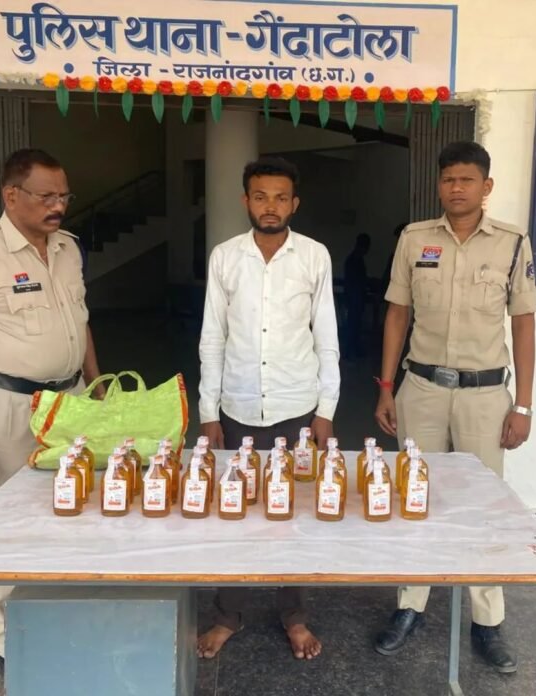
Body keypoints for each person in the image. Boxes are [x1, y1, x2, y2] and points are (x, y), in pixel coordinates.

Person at [373, 141, 536, 673]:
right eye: (448, 180)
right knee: (413, 498)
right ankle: (410, 606)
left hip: (484, 397)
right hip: (421, 389)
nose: (457, 188)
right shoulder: (414, 239)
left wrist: (524, 407)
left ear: (486, 187)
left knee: (483, 509)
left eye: (467, 180)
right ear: (439, 185)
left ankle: (487, 622)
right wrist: (386, 386)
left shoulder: (512, 243)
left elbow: (524, 324)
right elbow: (397, 314)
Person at [0, 148, 104, 667]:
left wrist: (97, 385)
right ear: (11, 195)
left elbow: (80, 322)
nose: (58, 205)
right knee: (6, 524)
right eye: (46, 196)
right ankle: (10, 643)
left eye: (64, 196)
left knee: (72, 511)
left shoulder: (68, 248)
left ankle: (61, 618)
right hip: (10, 409)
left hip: (71, 404)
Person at [197, 156, 340, 661]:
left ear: (294, 203)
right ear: (246, 201)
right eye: (261, 197)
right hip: (237, 407)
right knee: (233, 512)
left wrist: (326, 409)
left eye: (281, 197)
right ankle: (228, 615)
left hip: (298, 408)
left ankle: (294, 615)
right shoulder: (225, 257)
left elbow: (327, 337)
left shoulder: (314, 256)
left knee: (292, 515)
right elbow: (212, 337)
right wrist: (208, 412)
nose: (270, 206)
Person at [342, 232, 371, 359]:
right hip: (354, 299)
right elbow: (354, 281)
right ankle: (350, 352)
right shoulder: (354, 260)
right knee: (353, 326)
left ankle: (353, 350)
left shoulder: (355, 259)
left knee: (355, 326)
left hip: (355, 299)